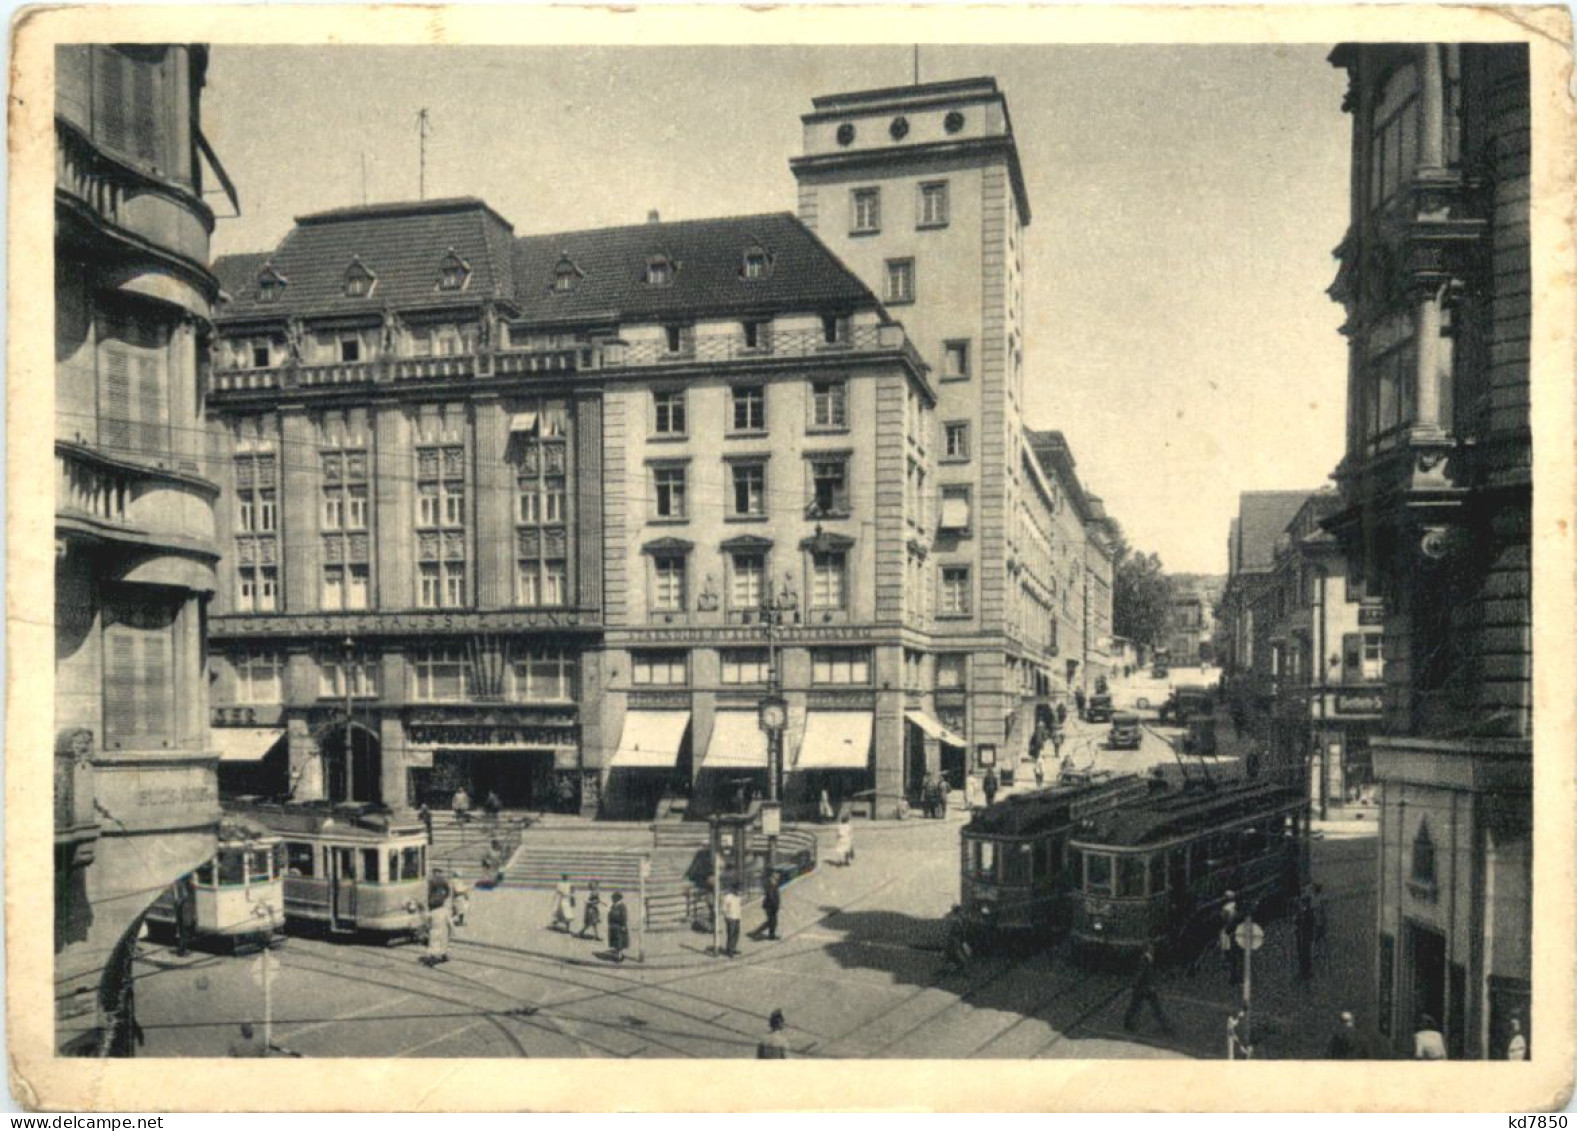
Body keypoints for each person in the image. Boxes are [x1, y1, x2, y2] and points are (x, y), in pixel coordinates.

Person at [1122, 945, 1174, 1035]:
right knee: (1154, 1008)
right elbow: (1144, 974)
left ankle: (1128, 1022)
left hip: (1143, 987)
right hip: (1145, 988)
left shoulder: (1146, 959)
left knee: (1136, 1006)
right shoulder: (1146, 960)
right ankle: (1165, 1027)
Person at [750, 874, 781, 941]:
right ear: (773, 879)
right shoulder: (771, 886)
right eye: (776, 879)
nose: (777, 880)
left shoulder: (774, 885)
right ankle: (759, 932)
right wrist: (775, 905)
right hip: (770, 907)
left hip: (771, 906)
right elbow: (771, 896)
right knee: (771, 922)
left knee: (772, 921)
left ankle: (771, 935)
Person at [941, 905, 972, 972]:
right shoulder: (956, 921)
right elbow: (958, 931)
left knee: (953, 953)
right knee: (959, 954)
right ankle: (962, 967)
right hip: (954, 940)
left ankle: (953, 966)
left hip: (953, 940)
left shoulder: (953, 918)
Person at [422, 898, 452, 966]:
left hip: (433, 930)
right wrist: (452, 930)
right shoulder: (445, 911)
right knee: (443, 943)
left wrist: (427, 929)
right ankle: (443, 955)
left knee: (433, 944)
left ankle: (432, 957)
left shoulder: (432, 912)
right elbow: (449, 922)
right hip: (443, 930)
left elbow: (427, 921)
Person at [1294, 891, 1316, 981]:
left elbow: (1310, 923)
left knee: (1306, 953)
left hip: (1305, 935)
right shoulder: (1303, 913)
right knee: (1302, 952)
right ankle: (1304, 969)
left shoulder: (1309, 913)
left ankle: (1306, 970)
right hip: (1302, 935)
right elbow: (1297, 922)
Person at [607, 892, 630, 962]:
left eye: (613, 898)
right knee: (615, 942)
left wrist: (623, 925)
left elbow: (624, 917)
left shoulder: (622, 906)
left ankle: (619, 957)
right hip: (613, 926)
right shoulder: (613, 905)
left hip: (620, 926)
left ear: (617, 898)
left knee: (620, 941)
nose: (612, 899)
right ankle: (617, 954)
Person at [722, 885, 743, 957]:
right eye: (737, 889)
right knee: (730, 934)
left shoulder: (738, 897)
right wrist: (726, 917)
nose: (738, 891)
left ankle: (733, 948)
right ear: (733, 889)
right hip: (730, 918)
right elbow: (724, 908)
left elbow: (739, 907)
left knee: (736, 934)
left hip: (737, 917)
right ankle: (729, 950)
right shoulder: (728, 897)